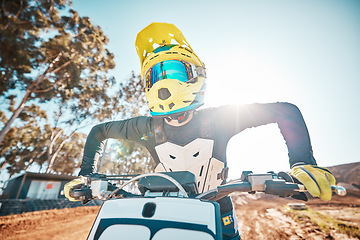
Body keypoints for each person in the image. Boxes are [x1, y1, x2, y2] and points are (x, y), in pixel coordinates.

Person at [64, 22, 336, 240]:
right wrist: (85, 176)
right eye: (155, 75)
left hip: (218, 208)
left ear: (197, 75)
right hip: (162, 210)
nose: (164, 82)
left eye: (174, 71)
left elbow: (284, 111)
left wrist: (302, 161)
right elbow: (99, 131)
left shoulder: (219, 119)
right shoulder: (147, 126)